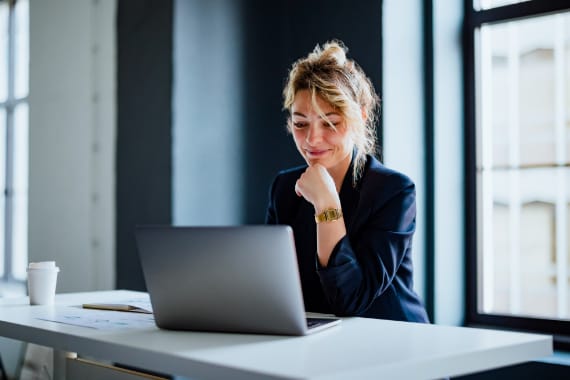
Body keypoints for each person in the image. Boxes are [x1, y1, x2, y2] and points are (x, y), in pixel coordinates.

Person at [265, 40, 429, 322]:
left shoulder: (393, 191)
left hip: (394, 341)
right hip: (317, 341)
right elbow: (270, 284)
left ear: (360, 119)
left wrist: (326, 202)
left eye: (330, 123)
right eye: (300, 123)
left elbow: (351, 299)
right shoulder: (284, 188)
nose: (312, 140)